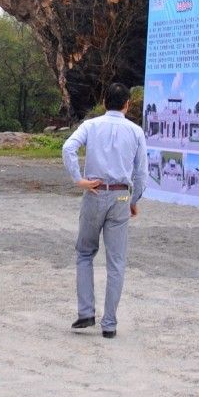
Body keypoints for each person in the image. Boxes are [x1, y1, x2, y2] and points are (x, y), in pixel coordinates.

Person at [62, 81, 147, 338]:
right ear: (127, 104)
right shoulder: (135, 131)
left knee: (85, 253)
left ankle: (86, 312)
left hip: (94, 192)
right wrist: (134, 201)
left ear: (103, 102)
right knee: (116, 262)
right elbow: (141, 172)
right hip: (121, 196)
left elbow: (68, 147)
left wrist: (79, 179)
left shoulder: (91, 125)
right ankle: (109, 324)